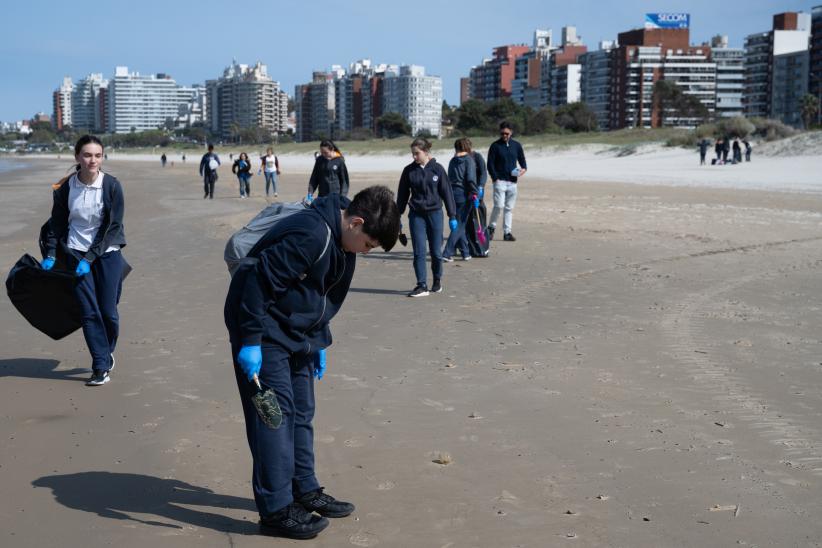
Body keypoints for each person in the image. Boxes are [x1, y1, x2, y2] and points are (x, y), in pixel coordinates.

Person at [224, 186, 400, 540]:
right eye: (367, 244)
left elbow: (320, 294)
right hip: (262, 328)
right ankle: (275, 510)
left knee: (302, 412)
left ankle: (303, 489)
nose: (365, 252)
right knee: (274, 416)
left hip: (300, 332)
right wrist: (251, 343)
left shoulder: (343, 241)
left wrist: (319, 340)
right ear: (356, 222)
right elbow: (258, 283)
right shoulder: (312, 234)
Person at [41, 135, 127, 387]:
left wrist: (91, 256)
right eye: (87, 155)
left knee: (108, 312)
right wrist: (51, 254)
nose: (93, 160)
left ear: (103, 157)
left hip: (107, 253)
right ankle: (100, 365)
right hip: (75, 253)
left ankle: (106, 351)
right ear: (77, 157)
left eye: (97, 155)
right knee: (89, 312)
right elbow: (56, 223)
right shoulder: (66, 187)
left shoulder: (111, 185)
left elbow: (112, 227)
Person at [396, 137, 457, 297]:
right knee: (419, 252)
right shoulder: (408, 170)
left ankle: (437, 280)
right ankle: (421, 285)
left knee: (436, 252)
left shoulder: (438, 169)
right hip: (416, 215)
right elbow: (402, 195)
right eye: (412, 154)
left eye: (417, 153)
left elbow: (447, 193)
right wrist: (398, 216)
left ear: (426, 152)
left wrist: (452, 215)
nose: (414, 157)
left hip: (435, 214)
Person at [487, 121, 527, 242]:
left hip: (512, 182)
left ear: (511, 133)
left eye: (506, 133)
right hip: (499, 182)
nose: (504, 135)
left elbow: (523, 162)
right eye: (502, 133)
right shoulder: (495, 146)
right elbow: (490, 164)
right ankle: (491, 228)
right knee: (498, 206)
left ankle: (507, 232)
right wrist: (495, 178)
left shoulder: (516, 145)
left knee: (509, 208)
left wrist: (521, 171)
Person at [442, 138, 478, 262]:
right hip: (464, 194)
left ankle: (465, 253)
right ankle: (447, 252)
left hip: (451, 193)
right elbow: (470, 179)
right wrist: (475, 193)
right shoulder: (469, 160)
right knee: (460, 224)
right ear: (467, 147)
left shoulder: (452, 160)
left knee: (459, 222)